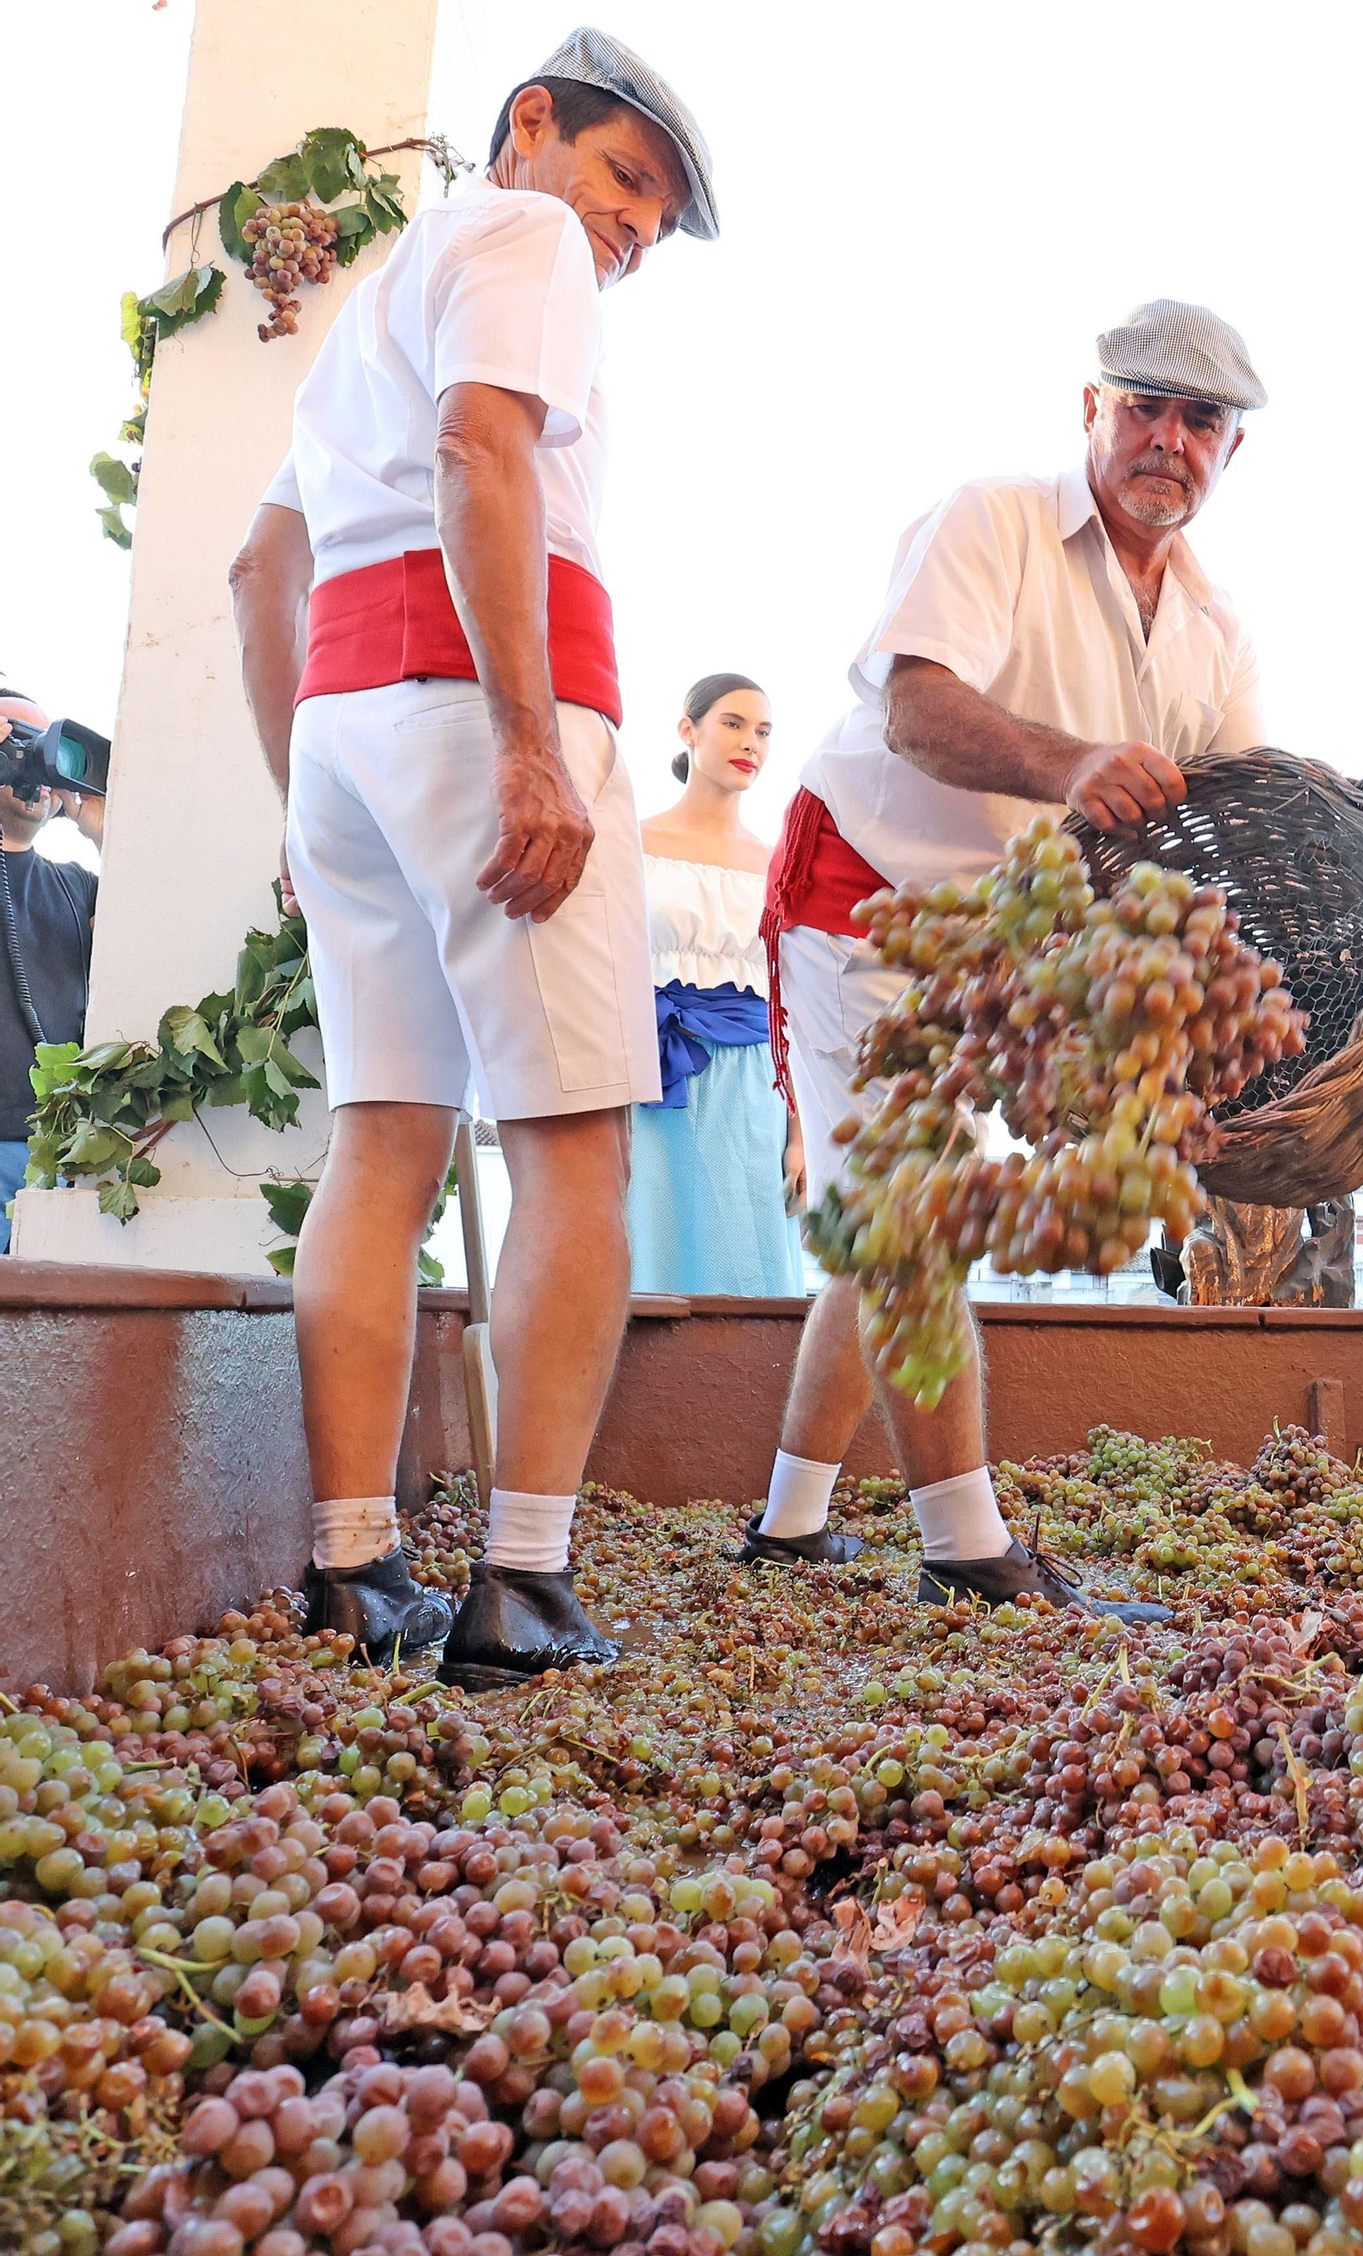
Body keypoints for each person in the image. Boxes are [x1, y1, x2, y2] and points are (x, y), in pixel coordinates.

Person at [228, 27, 719, 1683]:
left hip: (347, 723)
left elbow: (254, 577)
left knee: (384, 1139)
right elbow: (484, 454)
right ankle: (523, 1583)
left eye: (653, 217)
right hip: (489, 693)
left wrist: (306, 798)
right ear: (534, 126)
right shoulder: (520, 235)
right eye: (628, 176)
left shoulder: (364, 314)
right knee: (573, 1148)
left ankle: (356, 1567)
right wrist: (526, 740)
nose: (632, 230)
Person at [752, 300, 1267, 1617]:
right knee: (907, 1212)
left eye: (1200, 420)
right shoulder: (991, 519)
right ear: (1088, 411)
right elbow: (919, 704)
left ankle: (790, 1527)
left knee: (883, 1223)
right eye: (1141, 407)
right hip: (862, 884)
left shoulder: (1213, 637)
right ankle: (968, 1551)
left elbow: (1229, 828)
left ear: (1231, 450)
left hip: (1006, 931)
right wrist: (1069, 765)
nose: (1168, 439)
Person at [627, 673, 805, 1296]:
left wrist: (801, 1135)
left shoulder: (776, 861)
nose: (750, 743)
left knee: (747, 1265)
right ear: (688, 729)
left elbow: (794, 1005)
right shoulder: (630, 842)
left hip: (755, 1084)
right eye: (732, 723)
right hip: (650, 1075)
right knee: (649, 1252)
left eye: (762, 731)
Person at [0, 690, 102, 1252]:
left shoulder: (75, 885)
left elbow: (157, 930)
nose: (34, 760)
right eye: (19, 739)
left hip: (55, 1157)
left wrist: (99, 823)